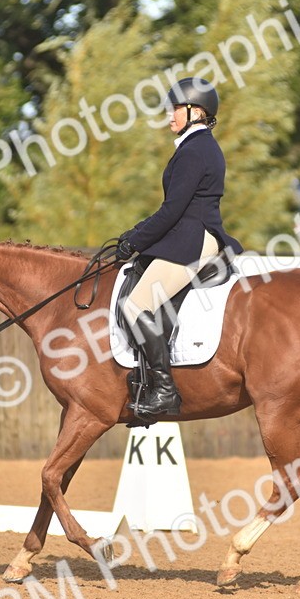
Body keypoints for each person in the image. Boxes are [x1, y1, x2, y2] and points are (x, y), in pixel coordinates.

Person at [115, 77, 244, 420]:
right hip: (190, 234)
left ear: (195, 111)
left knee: (136, 304)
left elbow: (172, 210)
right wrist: (135, 233)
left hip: (192, 239)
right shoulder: (196, 147)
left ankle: (164, 391)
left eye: (175, 109)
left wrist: (135, 240)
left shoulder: (196, 150)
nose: (169, 117)